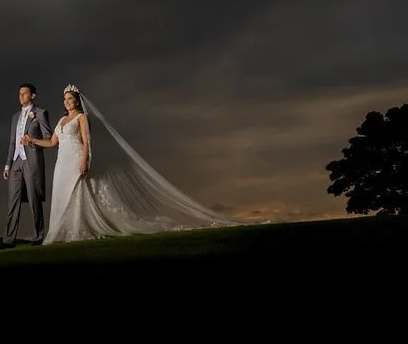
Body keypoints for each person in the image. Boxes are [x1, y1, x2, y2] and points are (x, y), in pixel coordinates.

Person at [22, 83, 243, 244]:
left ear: (77, 101)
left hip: (76, 157)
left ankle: (77, 230)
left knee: (77, 193)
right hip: (61, 161)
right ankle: (60, 231)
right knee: (61, 194)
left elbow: (87, 141)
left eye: (71, 99)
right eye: (65, 99)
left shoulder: (81, 118)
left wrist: (85, 160)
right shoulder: (61, 120)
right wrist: (32, 140)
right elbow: (52, 142)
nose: (67, 102)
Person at [0, 83, 53, 249]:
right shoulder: (15, 117)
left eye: (24, 93)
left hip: (32, 161)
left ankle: (38, 237)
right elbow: (11, 143)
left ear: (33, 96)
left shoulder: (40, 113)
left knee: (34, 199)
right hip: (16, 162)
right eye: (19, 93)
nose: (21, 96)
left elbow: (48, 137)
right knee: (12, 202)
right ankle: (8, 241)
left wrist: (32, 142)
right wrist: (8, 165)